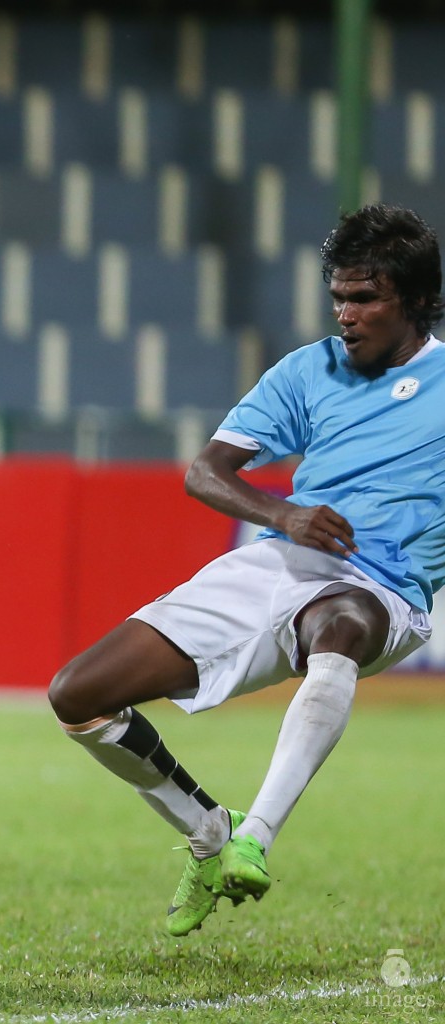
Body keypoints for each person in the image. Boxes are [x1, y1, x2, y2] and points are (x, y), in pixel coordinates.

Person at [49, 203, 445, 936]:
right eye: (338, 297)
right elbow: (207, 472)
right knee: (79, 695)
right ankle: (209, 835)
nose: (346, 314)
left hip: (384, 594)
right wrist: (285, 513)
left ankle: (256, 837)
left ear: (419, 300)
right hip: (279, 559)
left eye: (365, 298)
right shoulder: (310, 369)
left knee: (340, 621)